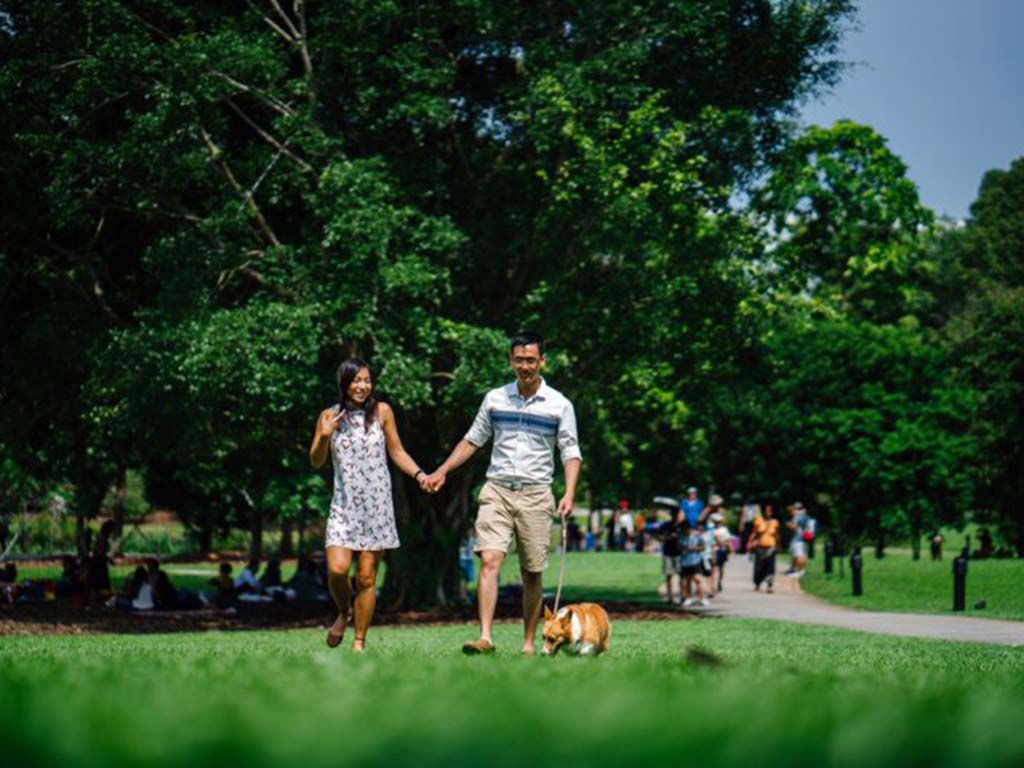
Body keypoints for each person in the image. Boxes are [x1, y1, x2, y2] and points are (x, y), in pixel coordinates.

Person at [424, 332, 582, 656]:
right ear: (511, 361)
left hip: (536, 493)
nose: (525, 366)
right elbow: (473, 439)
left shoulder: (560, 405)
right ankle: (485, 637)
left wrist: (569, 492)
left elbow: (570, 451)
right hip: (497, 489)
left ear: (542, 361)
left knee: (532, 572)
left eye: (531, 360)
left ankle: (529, 643)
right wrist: (442, 470)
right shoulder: (495, 399)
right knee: (490, 559)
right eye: (519, 360)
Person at [310, 357, 430, 652]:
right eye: (356, 380)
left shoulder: (382, 412)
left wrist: (419, 475)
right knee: (337, 570)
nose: (362, 386)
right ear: (344, 383)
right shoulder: (328, 415)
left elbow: (397, 451)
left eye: (367, 380)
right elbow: (316, 460)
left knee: (366, 577)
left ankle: (359, 641)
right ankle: (344, 612)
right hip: (344, 506)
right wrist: (324, 436)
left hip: (377, 507)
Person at [748, 505, 779, 593]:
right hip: (760, 546)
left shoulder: (775, 522)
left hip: (771, 546)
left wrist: (778, 545)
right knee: (759, 566)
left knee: (770, 567)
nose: (767, 513)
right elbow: (754, 533)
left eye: (769, 511)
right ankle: (757, 583)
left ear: (772, 513)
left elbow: (777, 534)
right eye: (766, 511)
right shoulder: (759, 520)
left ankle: (769, 586)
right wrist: (750, 543)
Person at [658, 509, 684, 605]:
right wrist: (668, 537)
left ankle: (682, 596)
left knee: (681, 575)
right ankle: (670, 597)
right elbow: (659, 537)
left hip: (679, 553)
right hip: (668, 552)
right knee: (669, 575)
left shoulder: (682, 526)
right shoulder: (665, 525)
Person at [680, 521, 707, 607]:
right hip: (684, 562)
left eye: (687, 528)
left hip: (695, 561)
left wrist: (693, 548)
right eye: (684, 529)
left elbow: (703, 547)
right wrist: (682, 548)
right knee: (687, 581)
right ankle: (688, 598)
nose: (685, 530)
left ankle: (702, 598)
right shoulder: (681, 538)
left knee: (698, 580)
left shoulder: (697, 537)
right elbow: (678, 548)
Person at [710, 511, 733, 593]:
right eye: (715, 521)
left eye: (718, 521)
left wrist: (731, 550)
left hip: (722, 550)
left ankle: (719, 582)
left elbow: (728, 541)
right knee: (714, 568)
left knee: (721, 568)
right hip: (713, 551)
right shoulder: (710, 529)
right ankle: (713, 585)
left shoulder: (724, 530)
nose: (717, 523)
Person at [785, 503, 808, 577]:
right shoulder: (804, 516)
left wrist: (788, 524)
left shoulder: (797, 517)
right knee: (800, 555)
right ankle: (797, 570)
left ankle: (799, 571)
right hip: (803, 538)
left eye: (793, 509)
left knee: (799, 556)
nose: (792, 511)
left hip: (798, 539)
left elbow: (794, 527)